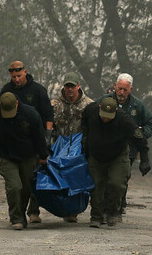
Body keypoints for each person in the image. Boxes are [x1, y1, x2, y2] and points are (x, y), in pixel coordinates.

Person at [0, 92, 48, 230]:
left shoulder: (31, 114)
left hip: (28, 157)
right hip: (6, 157)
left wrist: (43, 156)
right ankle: (16, 218)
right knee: (14, 186)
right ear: (0, 105)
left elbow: (39, 137)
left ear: (17, 104)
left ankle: (21, 215)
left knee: (26, 188)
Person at [81, 97, 151, 228]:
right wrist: (85, 137)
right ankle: (96, 216)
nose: (105, 119)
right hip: (96, 155)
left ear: (116, 111)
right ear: (99, 108)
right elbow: (84, 120)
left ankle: (112, 212)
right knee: (96, 186)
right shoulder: (91, 110)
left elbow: (140, 138)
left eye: (109, 117)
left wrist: (145, 161)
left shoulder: (125, 120)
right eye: (103, 116)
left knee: (117, 184)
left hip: (118, 155)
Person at [0, 60, 54, 223]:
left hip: (35, 140)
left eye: (19, 75)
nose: (16, 79)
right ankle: (18, 214)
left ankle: (33, 211)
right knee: (18, 183)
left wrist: (47, 138)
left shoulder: (38, 90)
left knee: (33, 178)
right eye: (13, 76)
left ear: (25, 72)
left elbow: (48, 115)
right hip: (14, 142)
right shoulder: (6, 91)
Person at [99, 73, 152, 218]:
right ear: (115, 86)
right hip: (106, 148)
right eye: (120, 89)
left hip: (129, 149)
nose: (122, 93)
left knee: (122, 178)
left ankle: (119, 206)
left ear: (131, 89)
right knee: (106, 179)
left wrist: (143, 134)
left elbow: (149, 123)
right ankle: (105, 208)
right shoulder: (105, 101)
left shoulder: (137, 105)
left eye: (125, 90)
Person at [50, 71, 93, 223]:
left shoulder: (89, 105)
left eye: (72, 86)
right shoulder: (55, 105)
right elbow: (49, 126)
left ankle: (72, 212)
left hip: (79, 149)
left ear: (78, 86)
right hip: (58, 147)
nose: (69, 89)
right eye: (67, 86)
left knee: (77, 180)